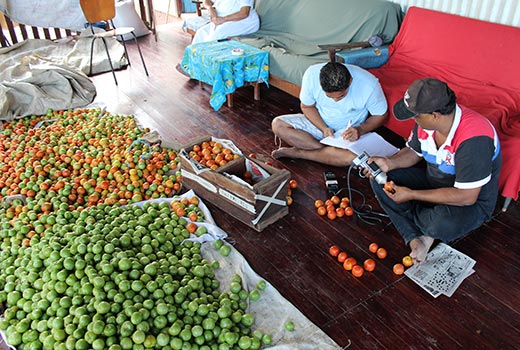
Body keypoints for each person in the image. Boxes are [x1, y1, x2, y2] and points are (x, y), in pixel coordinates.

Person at [367, 78, 501, 264]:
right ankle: (417, 237)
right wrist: (389, 163)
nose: (414, 120)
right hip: (435, 182)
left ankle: (424, 228)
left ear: (435, 115)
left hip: (471, 202)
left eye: (416, 116)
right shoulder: (426, 124)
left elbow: (466, 196)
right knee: (380, 178)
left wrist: (412, 194)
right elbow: (413, 152)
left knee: (440, 223)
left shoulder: (474, 139)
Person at [271, 62, 388, 166]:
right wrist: (323, 128)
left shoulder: (369, 84)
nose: (336, 101)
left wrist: (360, 130)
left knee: (352, 158)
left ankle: (300, 153)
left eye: (341, 96)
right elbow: (307, 106)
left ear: (350, 81)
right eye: (329, 97)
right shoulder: (312, 74)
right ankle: (328, 152)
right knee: (278, 124)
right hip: (319, 124)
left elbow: (381, 115)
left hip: (348, 133)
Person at [192, 0, 260, 44]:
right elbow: (206, 1)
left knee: (213, 38)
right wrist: (210, 8)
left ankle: (207, 64)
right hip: (221, 21)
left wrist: (223, 19)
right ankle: (192, 64)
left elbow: (244, 13)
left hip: (244, 21)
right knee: (200, 33)